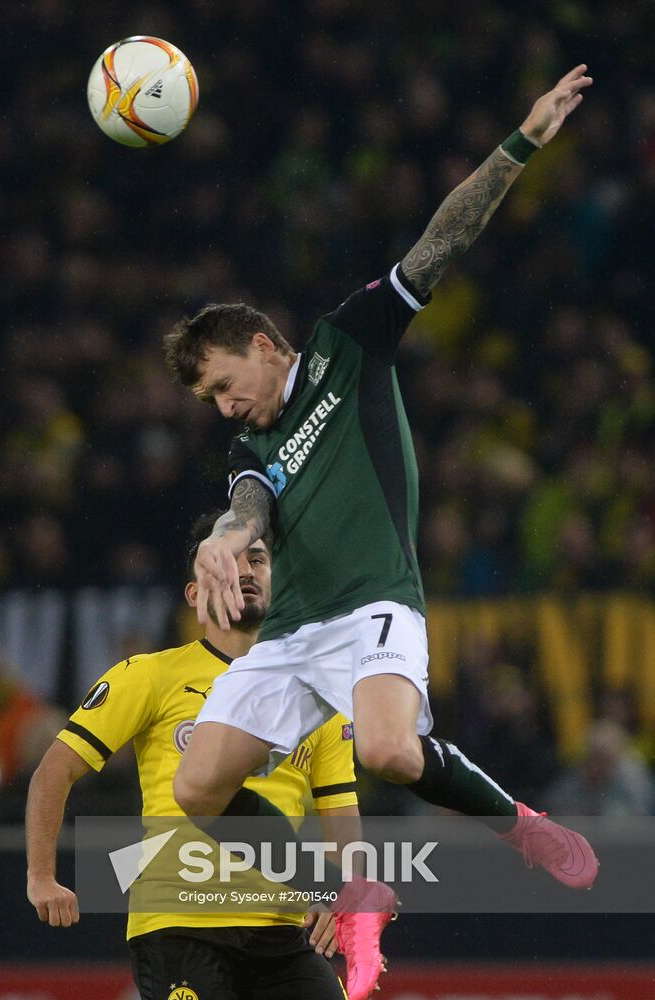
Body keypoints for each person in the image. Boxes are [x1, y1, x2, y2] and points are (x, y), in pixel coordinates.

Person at [163, 65, 599, 944]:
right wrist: (223, 535)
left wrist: (519, 144)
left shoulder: (344, 344)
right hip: (289, 633)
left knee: (388, 752)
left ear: (258, 345)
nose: (221, 407)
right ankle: (344, 890)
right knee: (195, 788)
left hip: (373, 606)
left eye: (220, 385)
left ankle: (523, 828)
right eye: (207, 401)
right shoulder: (250, 448)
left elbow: (438, 243)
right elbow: (248, 505)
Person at [26, 515, 370, 1000]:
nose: (245, 570)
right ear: (194, 595)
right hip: (180, 922)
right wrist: (41, 876)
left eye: (257, 559)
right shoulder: (151, 676)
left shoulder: (317, 696)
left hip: (283, 929)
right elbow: (55, 770)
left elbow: (340, 811)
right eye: (227, 562)